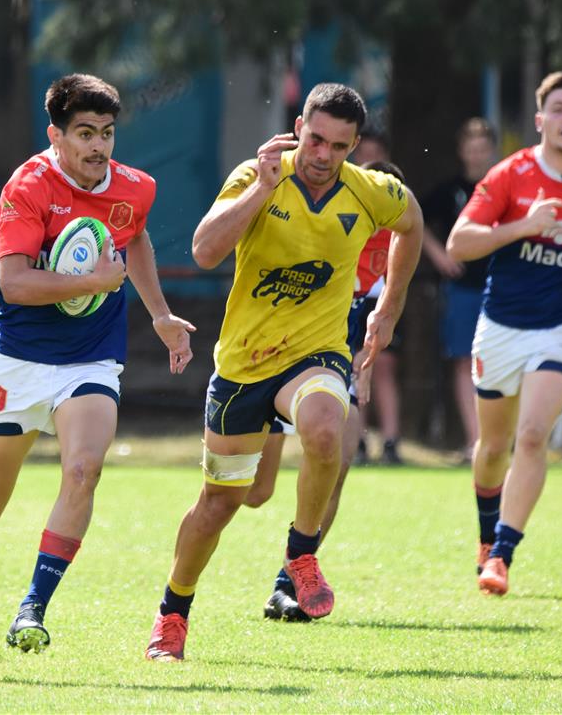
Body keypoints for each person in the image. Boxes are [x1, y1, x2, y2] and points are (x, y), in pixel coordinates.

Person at [0, 74, 195, 653]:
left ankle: (32, 608)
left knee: (84, 469)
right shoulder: (28, 187)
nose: (98, 146)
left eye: (107, 133)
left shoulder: (136, 187)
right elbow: (14, 283)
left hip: (92, 359)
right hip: (21, 361)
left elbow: (135, 237)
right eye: (85, 133)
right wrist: (93, 281)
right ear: (55, 135)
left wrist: (160, 314)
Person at [144, 83, 423, 661]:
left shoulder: (368, 190)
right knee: (224, 503)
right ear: (298, 128)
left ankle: (301, 552)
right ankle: (172, 614)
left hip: (316, 353)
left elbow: (412, 221)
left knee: (325, 429)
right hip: (244, 364)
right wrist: (262, 191)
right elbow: (204, 250)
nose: (324, 155)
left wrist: (389, 309)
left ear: (355, 147)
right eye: (316, 140)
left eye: (339, 146)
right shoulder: (256, 175)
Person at [445, 71, 562, 597]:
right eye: (559, 109)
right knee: (492, 448)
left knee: (532, 437)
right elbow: (460, 243)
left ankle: (502, 555)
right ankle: (487, 535)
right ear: (540, 119)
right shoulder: (511, 174)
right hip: (501, 327)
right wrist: (522, 226)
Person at [249, 159, 408, 622]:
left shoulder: (393, 250)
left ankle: (289, 582)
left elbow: (376, 322)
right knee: (254, 492)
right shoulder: (325, 232)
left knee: (337, 462)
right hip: (275, 363)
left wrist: (368, 362)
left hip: (333, 372)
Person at [422, 119, 499, 462]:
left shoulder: (504, 187)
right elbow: (416, 220)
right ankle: (476, 441)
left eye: (483, 148)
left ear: (492, 150)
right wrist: (440, 255)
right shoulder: (450, 190)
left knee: (503, 360)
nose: (477, 155)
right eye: (471, 148)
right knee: (465, 361)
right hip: (462, 289)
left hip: (502, 287)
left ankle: (500, 440)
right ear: (462, 152)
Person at [346, 131, 405, 463]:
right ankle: (356, 441)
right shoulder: (346, 202)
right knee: (350, 367)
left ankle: (391, 442)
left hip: (381, 299)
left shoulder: (400, 210)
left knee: (381, 365)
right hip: (347, 299)